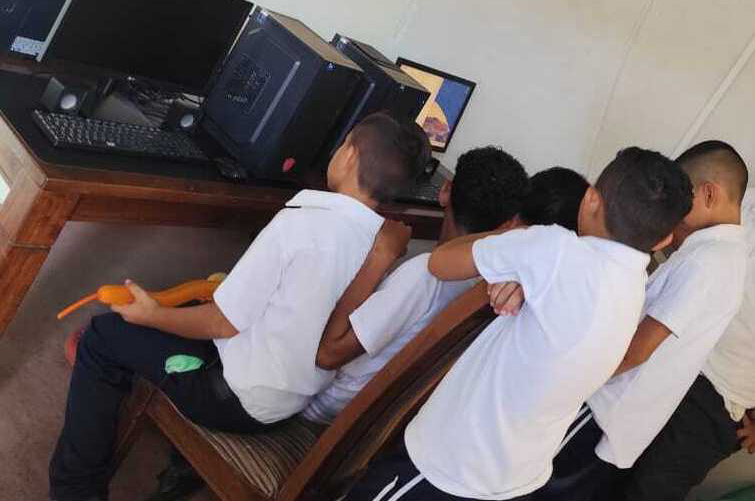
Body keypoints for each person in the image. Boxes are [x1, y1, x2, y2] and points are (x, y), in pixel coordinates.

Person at [48, 112, 430, 501]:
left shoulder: (302, 222)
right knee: (189, 303)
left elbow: (223, 322)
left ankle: (75, 492)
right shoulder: (381, 245)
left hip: (235, 399)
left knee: (102, 337)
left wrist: (153, 315)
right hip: (287, 400)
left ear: (349, 156)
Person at [343, 147, 693, 501]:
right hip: (517, 478)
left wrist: (517, 248)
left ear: (590, 199)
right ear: (664, 241)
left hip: (450, 464)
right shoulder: (635, 285)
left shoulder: (553, 248)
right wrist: (524, 274)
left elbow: (441, 263)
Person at [538, 140, 751, 501]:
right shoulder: (721, 254)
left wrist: (569, 380)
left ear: (709, 194)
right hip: (618, 410)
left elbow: (640, 349)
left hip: (606, 409)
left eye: (680, 198)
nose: (671, 211)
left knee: (547, 486)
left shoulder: (710, 261)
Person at [304, 147, 535, 425]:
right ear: (506, 226)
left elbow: (328, 354)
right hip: (375, 417)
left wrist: (379, 259)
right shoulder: (483, 287)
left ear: (445, 191)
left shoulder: (424, 275)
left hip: (322, 406)